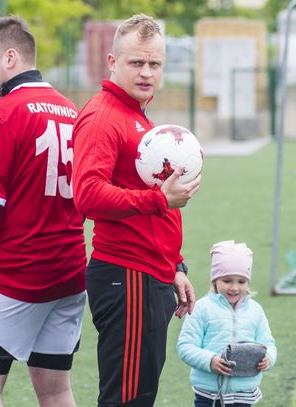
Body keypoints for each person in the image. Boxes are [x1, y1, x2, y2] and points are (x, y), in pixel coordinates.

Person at [72, 14, 201, 406]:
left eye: (154, 63)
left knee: (139, 395)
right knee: (125, 399)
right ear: (112, 62)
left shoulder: (137, 115)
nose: (147, 72)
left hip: (149, 274)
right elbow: (87, 195)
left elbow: (145, 193)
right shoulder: (104, 116)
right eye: (136, 62)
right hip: (126, 275)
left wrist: (175, 265)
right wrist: (159, 200)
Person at [0, 16, 86, 406]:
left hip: (15, 274)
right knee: (56, 390)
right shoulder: (72, 111)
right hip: (69, 275)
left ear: (10, 58)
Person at [177, 241, 277, 407]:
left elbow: (268, 344)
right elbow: (185, 346)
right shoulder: (202, 308)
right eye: (227, 280)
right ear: (215, 280)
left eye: (241, 281)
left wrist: (269, 358)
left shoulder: (255, 310)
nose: (234, 287)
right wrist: (210, 360)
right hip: (208, 394)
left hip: (244, 393)